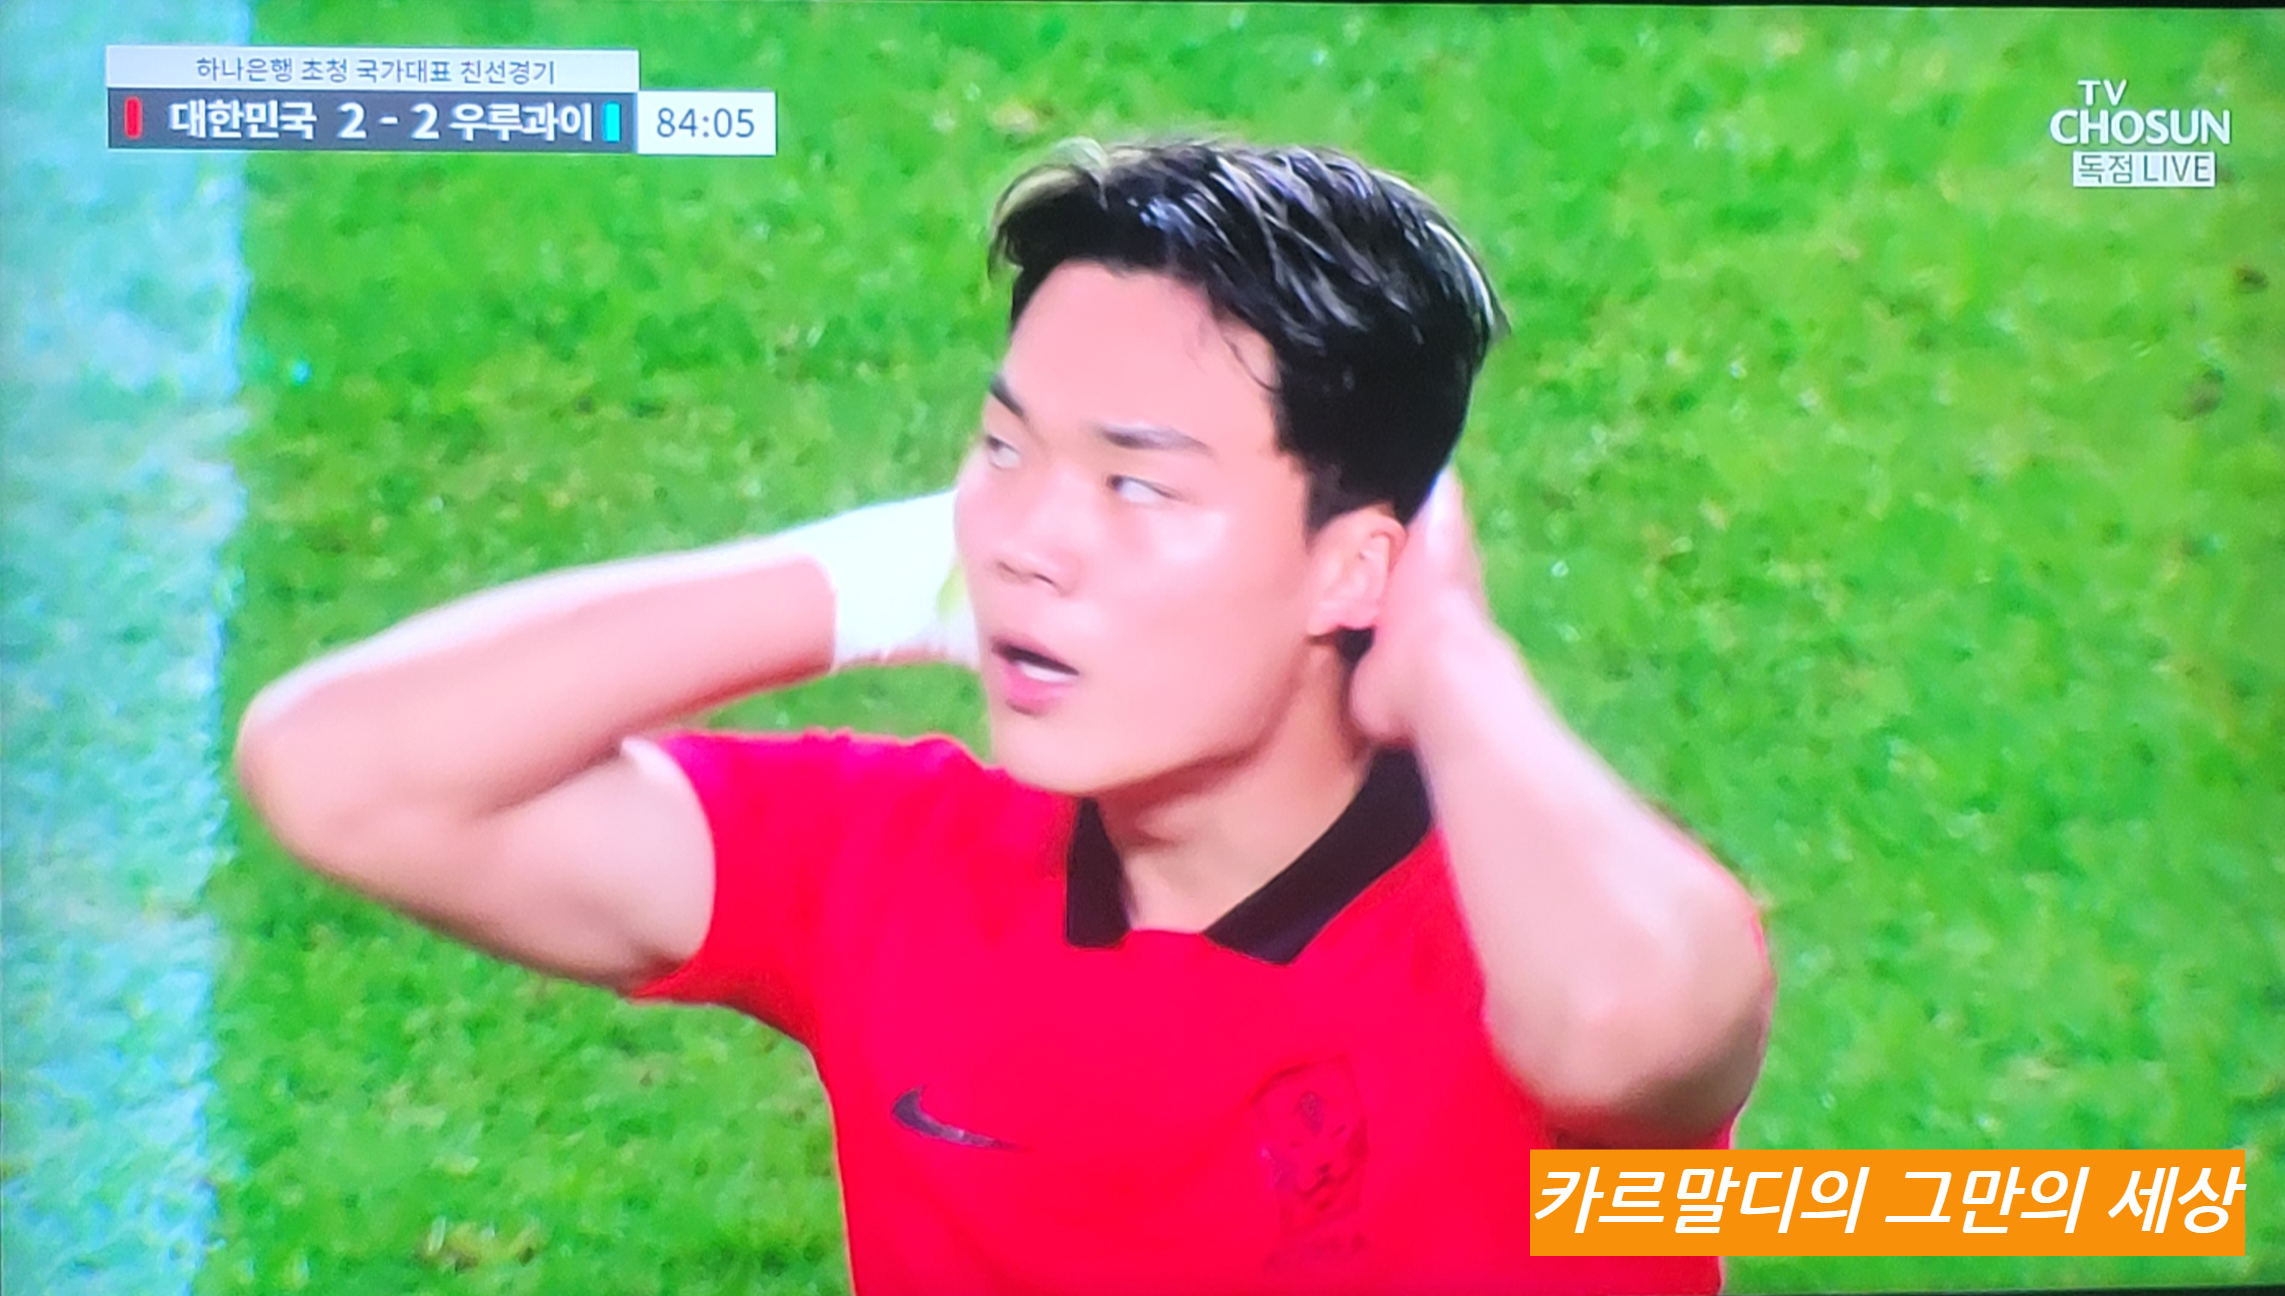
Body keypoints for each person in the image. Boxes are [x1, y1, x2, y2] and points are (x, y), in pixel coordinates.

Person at [235, 137, 1775, 1295]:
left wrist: (1445, 657)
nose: (1031, 539)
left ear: (1357, 563)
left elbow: (1630, 1032)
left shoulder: (1529, 916)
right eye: (1004, 449)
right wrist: (880, 578)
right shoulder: (893, 868)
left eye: (1139, 485)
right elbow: (342, 774)